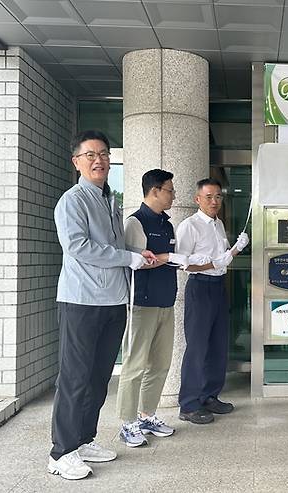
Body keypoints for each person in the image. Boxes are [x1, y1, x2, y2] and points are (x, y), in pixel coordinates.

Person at [50, 130, 156, 480]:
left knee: (97, 379)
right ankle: (61, 452)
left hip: (112, 301)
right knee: (75, 377)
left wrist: (136, 256)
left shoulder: (108, 199)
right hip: (82, 301)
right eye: (91, 155)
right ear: (76, 162)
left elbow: (114, 248)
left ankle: (83, 440)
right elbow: (78, 247)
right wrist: (128, 258)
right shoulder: (73, 200)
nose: (99, 160)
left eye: (105, 154)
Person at [116, 169, 181, 447]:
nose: (173, 195)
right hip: (142, 303)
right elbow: (137, 261)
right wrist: (169, 257)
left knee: (161, 363)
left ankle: (147, 415)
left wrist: (176, 259)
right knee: (135, 363)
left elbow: (167, 259)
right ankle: (127, 422)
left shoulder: (166, 223)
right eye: (169, 190)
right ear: (154, 190)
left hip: (166, 301)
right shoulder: (136, 222)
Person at [176, 178, 249, 425]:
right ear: (198, 199)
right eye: (209, 197)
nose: (214, 201)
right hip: (200, 286)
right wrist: (214, 262)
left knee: (218, 344)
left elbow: (224, 258)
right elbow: (183, 263)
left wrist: (237, 248)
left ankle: (209, 396)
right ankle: (188, 404)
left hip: (218, 287)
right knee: (197, 347)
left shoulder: (218, 225)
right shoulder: (190, 225)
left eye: (218, 196)